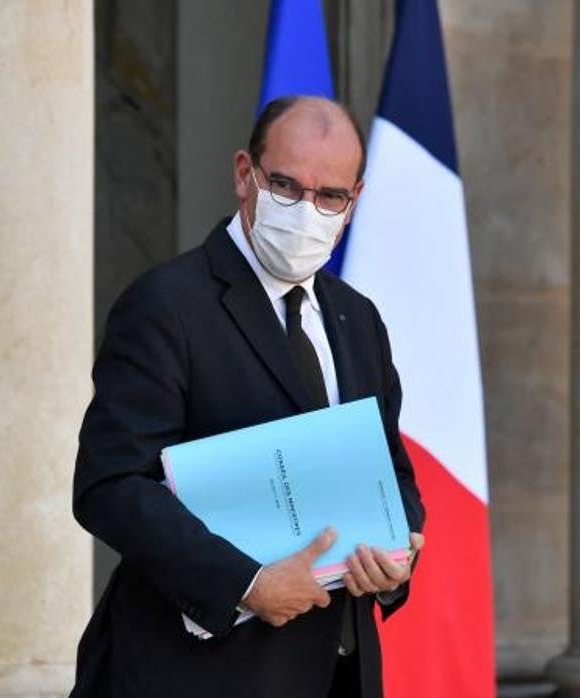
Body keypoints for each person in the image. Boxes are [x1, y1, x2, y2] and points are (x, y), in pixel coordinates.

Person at [71, 95, 426, 698]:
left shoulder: (357, 318)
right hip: (196, 674)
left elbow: (389, 469)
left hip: (338, 670)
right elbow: (108, 483)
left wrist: (396, 557)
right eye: (285, 186)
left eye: (330, 197)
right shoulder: (166, 305)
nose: (306, 212)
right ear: (245, 175)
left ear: (354, 201)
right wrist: (244, 581)